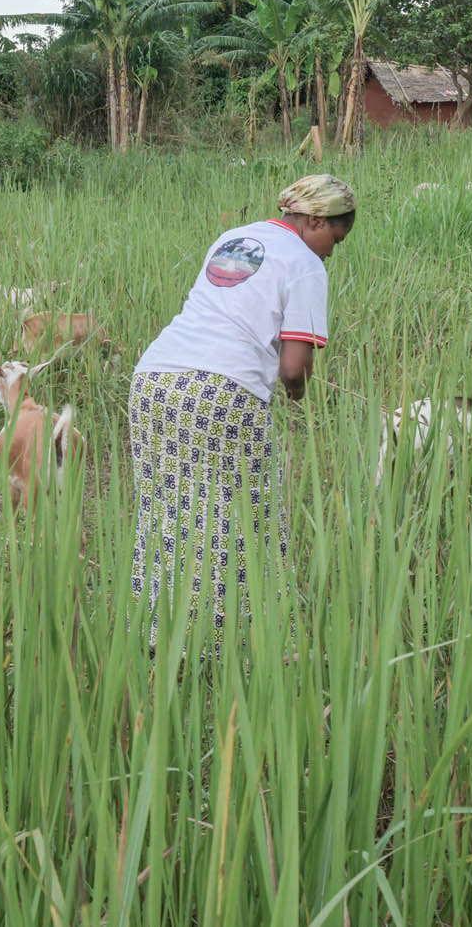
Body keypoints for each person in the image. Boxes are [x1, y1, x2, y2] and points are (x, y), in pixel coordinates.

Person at [129, 174, 357, 649]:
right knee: (248, 517)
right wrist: (298, 389)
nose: (331, 251)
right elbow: (294, 367)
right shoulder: (307, 265)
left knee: (169, 514)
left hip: (153, 380)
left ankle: (160, 635)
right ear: (315, 220)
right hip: (220, 390)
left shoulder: (235, 238)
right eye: (334, 238)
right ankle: (256, 645)